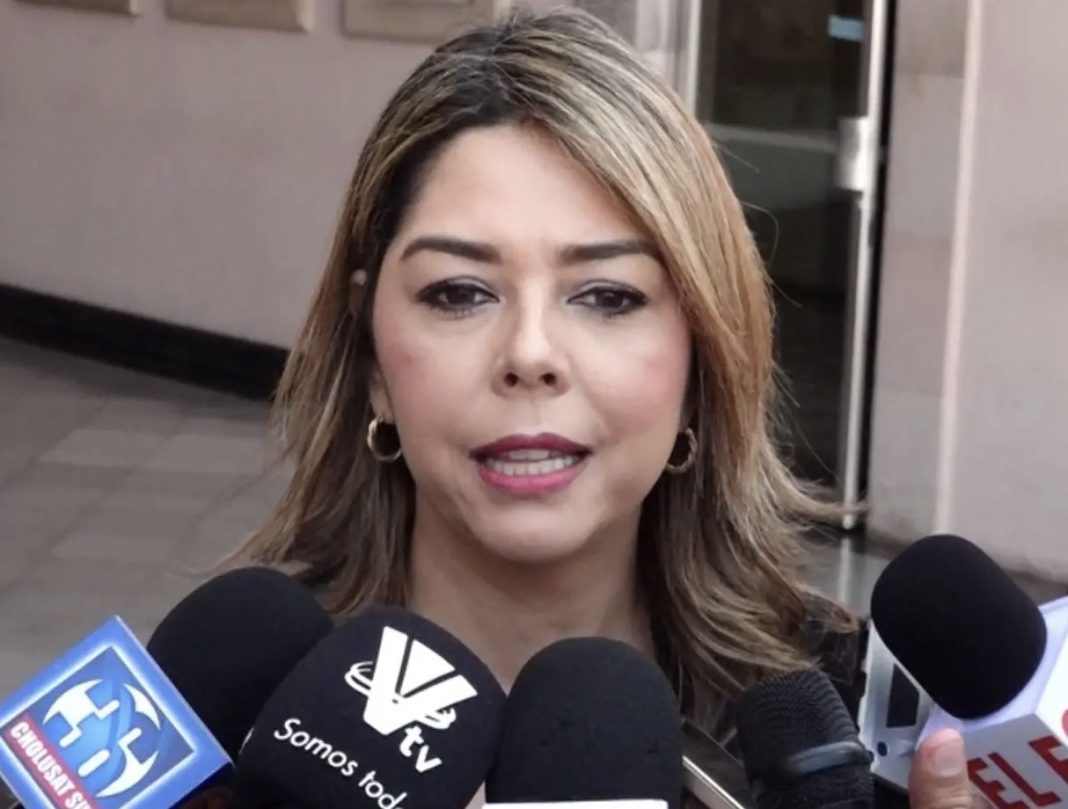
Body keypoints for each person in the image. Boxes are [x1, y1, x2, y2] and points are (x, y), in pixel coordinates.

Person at [238, 9, 980, 809]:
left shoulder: (843, 727)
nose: (531, 354)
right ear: (370, 354)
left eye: (608, 295)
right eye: (459, 292)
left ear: (702, 361)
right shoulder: (240, 716)